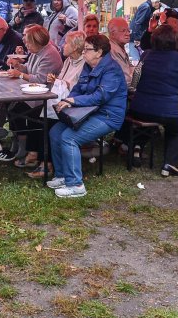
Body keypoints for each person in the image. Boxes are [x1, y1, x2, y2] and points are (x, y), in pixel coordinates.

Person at [49, 34, 127, 198]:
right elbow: (79, 88)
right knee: (55, 132)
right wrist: (67, 100)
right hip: (88, 112)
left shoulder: (112, 69)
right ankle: (62, 175)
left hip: (107, 116)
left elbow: (101, 96)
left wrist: (74, 100)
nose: (83, 52)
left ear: (99, 52)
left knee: (69, 138)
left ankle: (76, 185)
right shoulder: (89, 65)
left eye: (87, 49)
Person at [129, 25, 178, 176]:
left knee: (148, 119)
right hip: (165, 111)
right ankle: (170, 164)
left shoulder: (146, 54)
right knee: (176, 131)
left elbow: (137, 77)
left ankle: (137, 147)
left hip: (138, 107)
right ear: (175, 40)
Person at [27, 31, 86, 179]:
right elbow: (62, 81)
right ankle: (35, 154)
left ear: (75, 47)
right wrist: (55, 80)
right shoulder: (68, 61)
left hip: (73, 105)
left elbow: (78, 88)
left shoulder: (83, 63)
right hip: (60, 100)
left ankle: (46, 163)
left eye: (66, 43)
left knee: (47, 120)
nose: (62, 46)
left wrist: (61, 83)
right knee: (34, 113)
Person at [5, 25, 63, 168]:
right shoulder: (37, 51)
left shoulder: (50, 54)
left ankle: (29, 148)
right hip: (34, 94)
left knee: (19, 108)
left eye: (29, 42)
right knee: (11, 106)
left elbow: (40, 79)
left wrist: (20, 74)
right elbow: (30, 69)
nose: (26, 45)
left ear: (37, 42)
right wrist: (19, 66)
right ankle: (21, 140)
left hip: (46, 97)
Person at [107, 17, 134, 85]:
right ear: (112, 34)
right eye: (123, 31)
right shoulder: (112, 50)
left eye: (128, 30)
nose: (128, 34)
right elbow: (126, 79)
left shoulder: (119, 48)